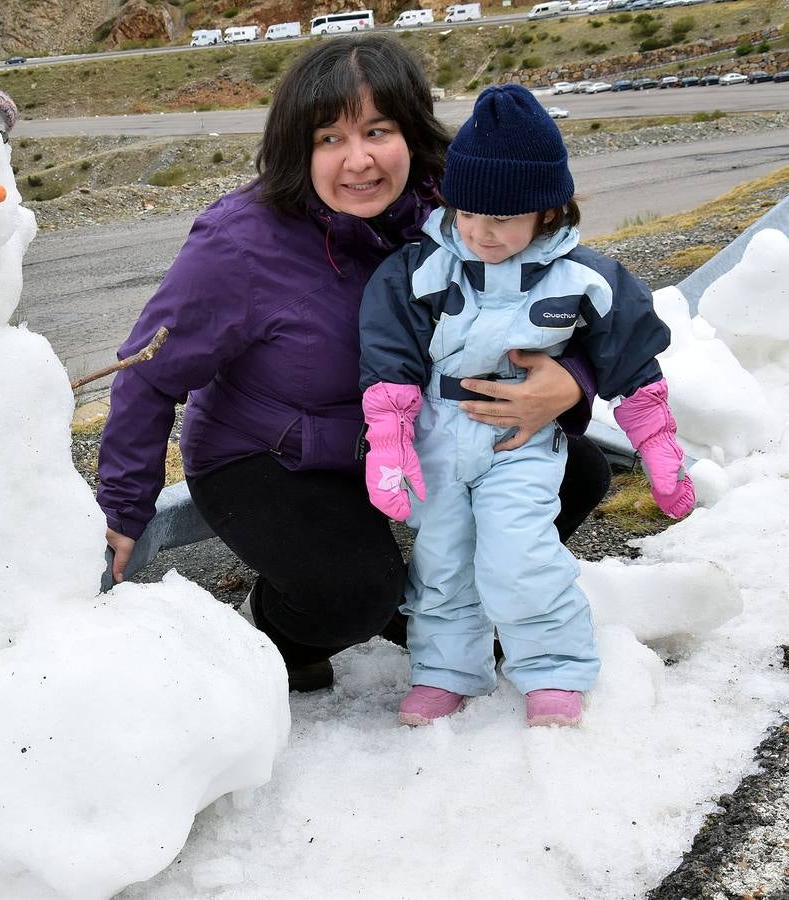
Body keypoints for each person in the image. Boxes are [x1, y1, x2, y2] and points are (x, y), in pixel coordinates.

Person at [97, 36, 612, 693]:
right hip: (269, 454)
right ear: (296, 147)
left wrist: (569, 382)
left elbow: (567, 305)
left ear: (413, 131)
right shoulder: (238, 245)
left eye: (377, 130)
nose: (357, 160)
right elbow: (147, 372)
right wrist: (123, 506)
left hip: (404, 436)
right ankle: (271, 633)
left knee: (578, 472)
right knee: (350, 593)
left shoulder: (454, 211)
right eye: (328, 139)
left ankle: (431, 605)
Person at [359, 83, 695, 728]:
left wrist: (656, 445)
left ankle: (553, 667)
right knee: (442, 558)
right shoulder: (419, 269)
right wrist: (392, 441)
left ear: (546, 211)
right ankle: (446, 671)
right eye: (469, 216)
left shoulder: (585, 278)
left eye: (504, 220)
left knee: (520, 553)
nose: (483, 234)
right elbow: (389, 352)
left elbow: (630, 355)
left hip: (521, 443)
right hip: (437, 437)